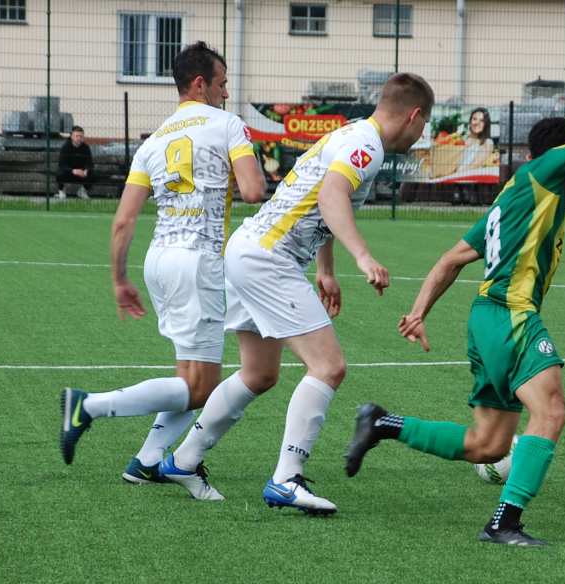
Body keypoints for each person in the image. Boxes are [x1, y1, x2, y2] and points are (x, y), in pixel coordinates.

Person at [344, 72, 565, 546]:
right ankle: (504, 523)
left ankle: (383, 423)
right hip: (511, 313)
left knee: (488, 445)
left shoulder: (513, 196)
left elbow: (451, 259)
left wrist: (418, 312)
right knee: (551, 412)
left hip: (485, 318)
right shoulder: (543, 173)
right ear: (562, 154)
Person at [159, 73, 435, 513]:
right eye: (425, 125)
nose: (423, 135)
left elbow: (318, 200)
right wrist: (362, 257)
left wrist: (325, 270)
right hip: (268, 259)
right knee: (329, 367)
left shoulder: (349, 134)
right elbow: (331, 196)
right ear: (415, 115)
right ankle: (286, 480)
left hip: (249, 249)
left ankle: (183, 459)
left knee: (259, 374)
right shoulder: (367, 146)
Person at [59, 42, 267, 485]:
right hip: (199, 261)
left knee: (189, 378)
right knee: (202, 387)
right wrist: (247, 170)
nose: (226, 93)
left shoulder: (153, 142)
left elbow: (123, 221)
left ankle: (146, 461)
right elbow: (253, 191)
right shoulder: (229, 125)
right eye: (222, 83)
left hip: (159, 260)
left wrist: (119, 279)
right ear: (200, 83)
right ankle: (87, 405)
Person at [57, 126, 94, 199]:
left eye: (81, 136)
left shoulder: (86, 148)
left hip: (82, 173)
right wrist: (73, 171)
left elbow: (89, 163)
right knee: (59, 173)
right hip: (69, 172)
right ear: (71, 136)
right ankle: (61, 190)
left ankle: (82, 191)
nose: (79, 138)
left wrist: (86, 170)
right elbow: (62, 164)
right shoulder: (65, 147)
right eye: (77, 136)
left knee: (93, 174)